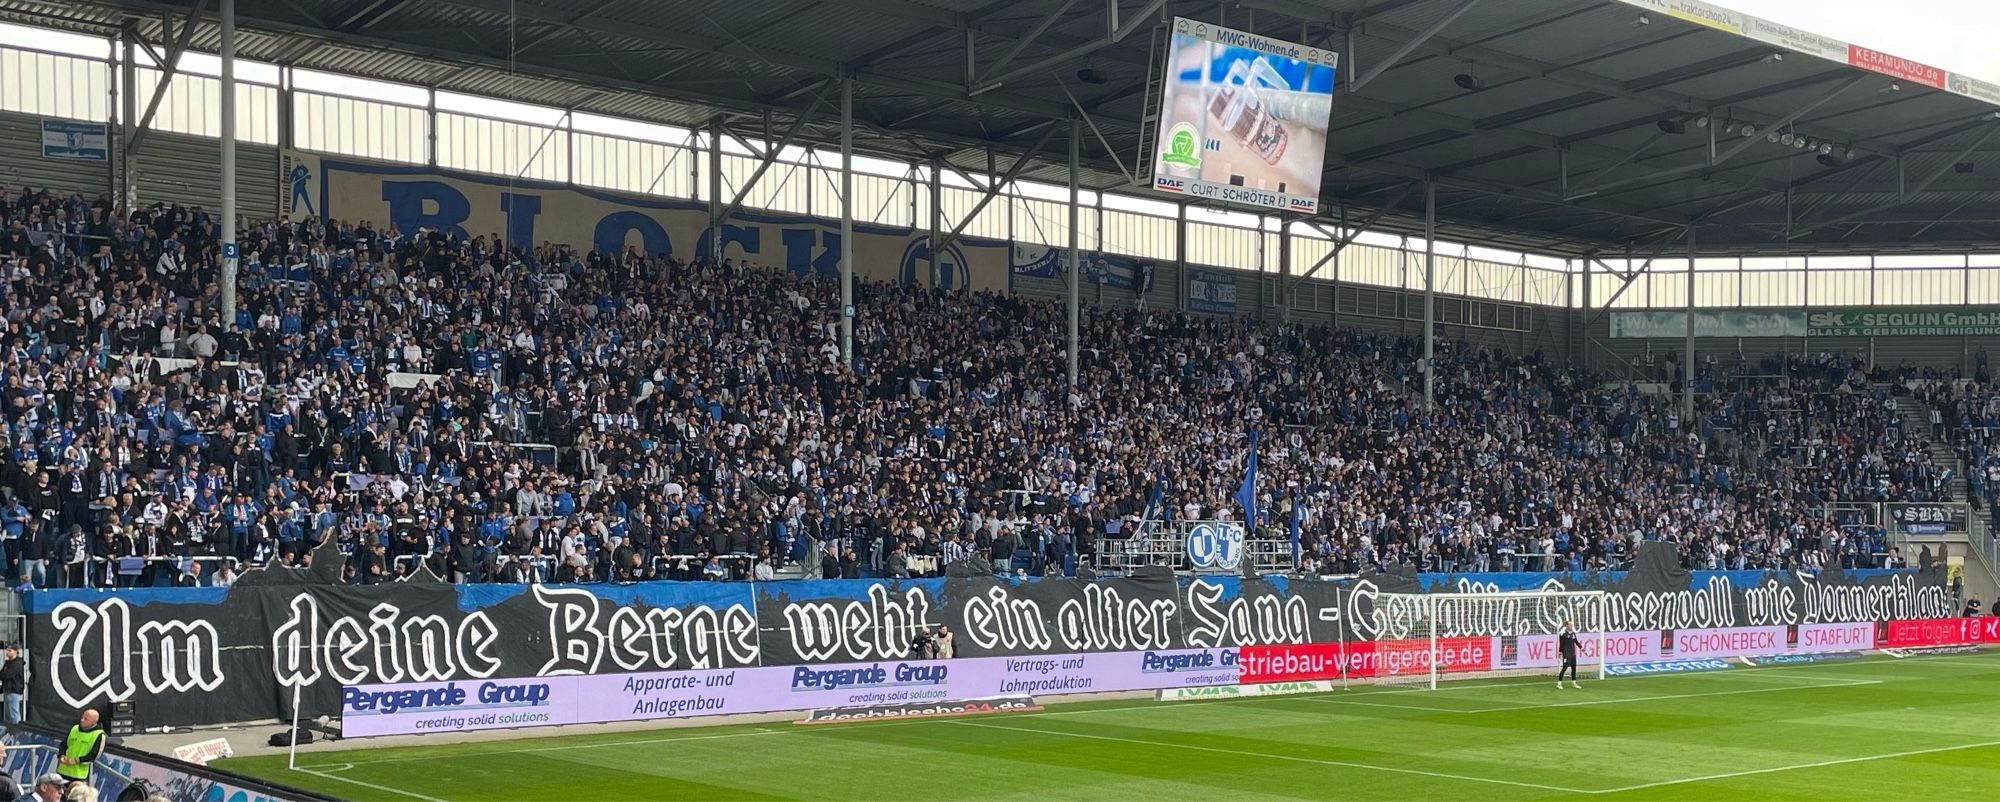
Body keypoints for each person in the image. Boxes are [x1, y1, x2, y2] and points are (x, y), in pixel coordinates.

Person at [56, 709, 105, 784]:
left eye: (86, 719)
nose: (82, 720)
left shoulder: (99, 735)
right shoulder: (74, 728)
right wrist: (61, 755)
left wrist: (77, 760)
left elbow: (95, 755)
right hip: (62, 771)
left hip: (79, 776)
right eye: (82, 717)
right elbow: (64, 745)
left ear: (93, 722)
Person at [0, 643, 24, 723]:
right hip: (8, 689)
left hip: (13, 690)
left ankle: (17, 732)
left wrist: (3, 674)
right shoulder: (8, 663)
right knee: (10, 713)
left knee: (14, 714)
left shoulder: (17, 663)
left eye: (9, 650)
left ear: (15, 651)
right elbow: (2, 674)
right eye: (7, 650)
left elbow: (6, 675)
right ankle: (13, 731)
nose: (7, 652)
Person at [1556, 620, 1581, 689]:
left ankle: (1574, 683)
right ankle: (1559, 683)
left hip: (1572, 653)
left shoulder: (1573, 634)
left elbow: (1576, 642)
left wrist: (1582, 648)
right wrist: (1560, 652)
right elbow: (1561, 644)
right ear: (1567, 626)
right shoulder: (1563, 634)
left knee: (1574, 668)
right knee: (1565, 667)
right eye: (1570, 625)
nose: (1572, 626)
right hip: (1566, 653)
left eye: (1572, 625)